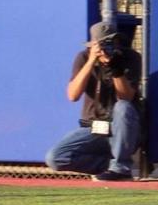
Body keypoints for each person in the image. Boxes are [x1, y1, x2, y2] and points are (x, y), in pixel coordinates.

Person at [45, 21, 142, 181]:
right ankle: (108, 167)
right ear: (93, 45)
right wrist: (91, 61)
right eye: (103, 44)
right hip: (94, 128)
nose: (108, 48)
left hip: (123, 129)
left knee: (123, 107)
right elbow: (73, 96)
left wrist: (116, 70)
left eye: (112, 42)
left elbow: (126, 97)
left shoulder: (130, 57)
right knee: (55, 158)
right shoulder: (83, 57)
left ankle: (121, 169)